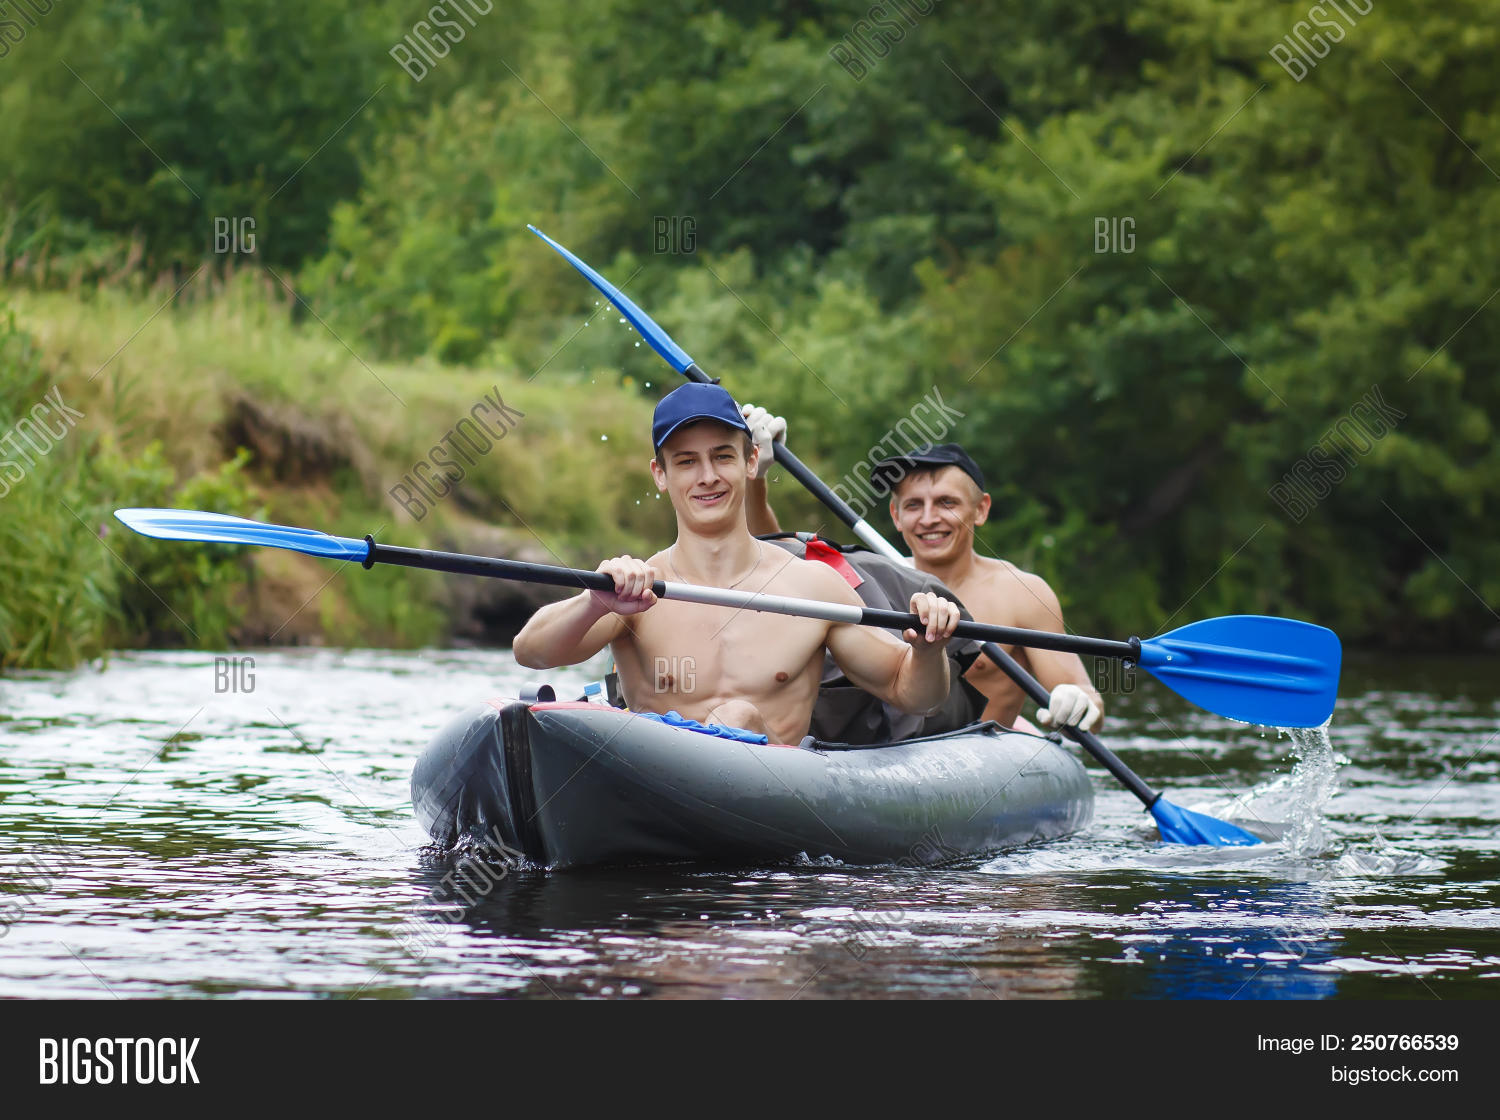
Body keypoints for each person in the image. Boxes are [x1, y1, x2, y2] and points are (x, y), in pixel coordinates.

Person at [512, 383, 964, 745]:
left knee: (739, 717)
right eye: (687, 462)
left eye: (722, 457)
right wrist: (594, 603)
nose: (707, 476)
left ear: (750, 461)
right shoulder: (635, 591)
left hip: (773, 810)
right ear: (660, 475)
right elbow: (531, 653)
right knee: (732, 718)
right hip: (657, 796)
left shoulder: (813, 587)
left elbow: (913, 695)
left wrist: (928, 651)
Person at [739, 406, 1103, 734]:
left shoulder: (1022, 593)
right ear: (896, 516)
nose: (928, 519)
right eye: (914, 505)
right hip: (891, 750)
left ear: (980, 509)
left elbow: (1089, 701)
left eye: (946, 503)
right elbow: (775, 559)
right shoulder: (873, 583)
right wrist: (757, 476)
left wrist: (1077, 701)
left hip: (982, 758)